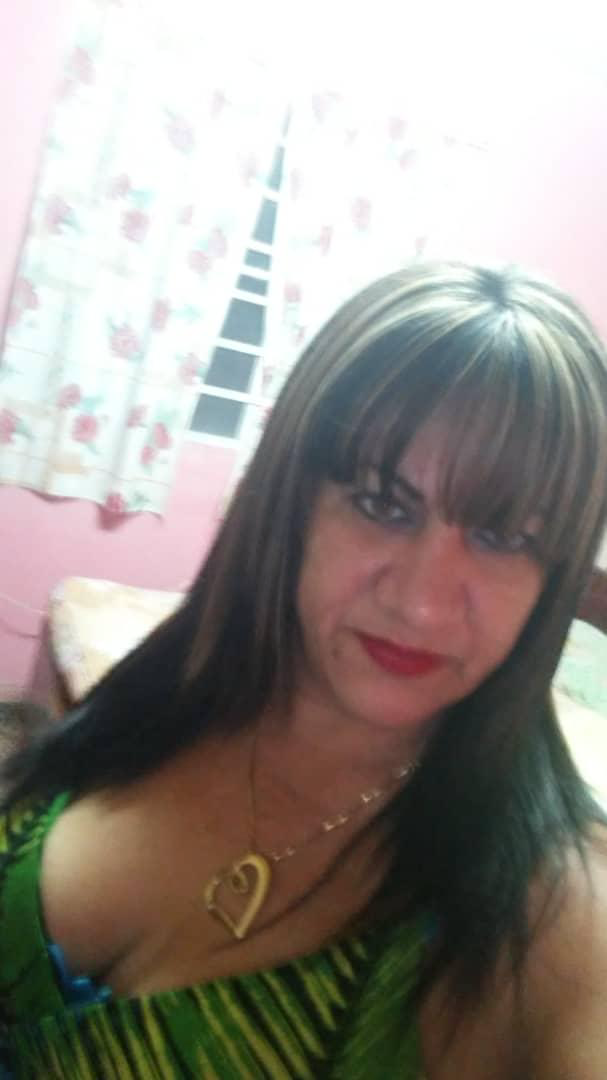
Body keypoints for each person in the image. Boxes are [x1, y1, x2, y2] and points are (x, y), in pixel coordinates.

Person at [1, 259, 607, 1079]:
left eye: (502, 537)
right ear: (290, 503)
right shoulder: (175, 690)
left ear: (553, 580)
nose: (421, 604)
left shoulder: (560, 918)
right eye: (381, 504)